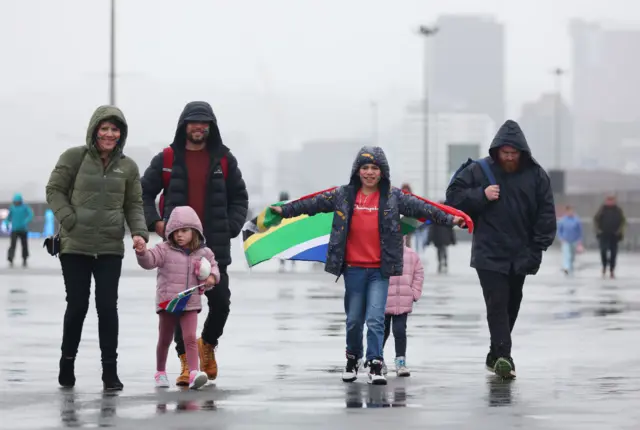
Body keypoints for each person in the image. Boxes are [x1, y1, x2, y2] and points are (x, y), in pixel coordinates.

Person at [270, 146, 465, 385]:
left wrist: (450, 218)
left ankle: (375, 363)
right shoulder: (343, 195)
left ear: (382, 172)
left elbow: (424, 207)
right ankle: (353, 359)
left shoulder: (394, 197)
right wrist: (284, 210)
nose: (370, 173)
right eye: (365, 168)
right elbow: (312, 203)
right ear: (357, 170)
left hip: (380, 271)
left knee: (375, 319)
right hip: (353, 270)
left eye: (375, 168)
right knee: (353, 321)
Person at [141, 101, 248, 385]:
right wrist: (155, 223)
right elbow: (143, 193)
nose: (199, 127)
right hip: (177, 249)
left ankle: (207, 344)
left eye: (204, 123)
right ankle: (187, 362)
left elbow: (239, 198)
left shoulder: (224, 159)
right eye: (193, 122)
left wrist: (231, 227)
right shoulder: (167, 158)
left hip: (213, 247)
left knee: (221, 302)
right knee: (180, 307)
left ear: (211, 127)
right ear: (183, 125)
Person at [46, 105, 149, 390]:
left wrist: (139, 232)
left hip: (109, 248)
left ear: (121, 134)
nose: (109, 134)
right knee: (77, 305)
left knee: (107, 307)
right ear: (94, 129)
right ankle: (67, 363)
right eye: (104, 128)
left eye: (115, 129)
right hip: (75, 246)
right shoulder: (73, 157)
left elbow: (134, 204)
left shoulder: (128, 167)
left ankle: (109, 372)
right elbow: (53, 189)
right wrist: (69, 219)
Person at [445, 119, 556, 379]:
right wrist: (481, 195)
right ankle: (505, 357)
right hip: (489, 252)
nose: (508, 157)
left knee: (512, 304)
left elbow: (546, 213)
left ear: (521, 152)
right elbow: (453, 197)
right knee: (497, 302)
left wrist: (538, 247)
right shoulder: (479, 170)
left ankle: (495, 353)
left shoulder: (537, 175)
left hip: (522, 252)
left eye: (513, 153)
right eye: (505, 153)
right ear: (497, 151)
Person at [135, 206, 220, 390]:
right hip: (169, 303)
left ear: (194, 231)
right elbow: (149, 261)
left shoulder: (203, 252)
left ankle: (194, 373)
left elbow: (214, 267)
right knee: (164, 339)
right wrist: (142, 253)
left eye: (184, 231)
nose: (179, 235)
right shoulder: (163, 249)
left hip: (190, 302)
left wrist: (211, 278)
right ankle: (160, 372)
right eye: (175, 232)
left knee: (190, 337)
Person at [382, 237, 424, 377]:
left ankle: (401, 360)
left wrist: (414, 293)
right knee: (382, 331)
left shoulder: (411, 255)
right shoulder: (382, 252)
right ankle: (377, 359)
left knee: (400, 331)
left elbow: (419, 273)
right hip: (384, 300)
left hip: (403, 300)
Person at [593, 195, 626, 279]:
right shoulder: (602, 210)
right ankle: (604, 265)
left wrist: (619, 231)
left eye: (612, 200)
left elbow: (623, 222)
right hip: (603, 234)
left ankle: (612, 269)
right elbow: (596, 220)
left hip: (614, 235)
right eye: (608, 200)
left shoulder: (618, 210)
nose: (610, 202)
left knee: (613, 253)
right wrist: (598, 230)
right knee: (603, 250)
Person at [425, 200, 457, 273]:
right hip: (444, 237)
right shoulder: (448, 215)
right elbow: (451, 229)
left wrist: (429, 239)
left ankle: (440, 262)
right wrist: (453, 240)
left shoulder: (435, 215)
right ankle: (445, 261)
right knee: (444, 249)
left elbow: (431, 229)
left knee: (439, 250)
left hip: (438, 237)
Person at [4, 193, 33, 268]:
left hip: (23, 230)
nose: (16, 203)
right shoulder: (12, 208)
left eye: (17, 201)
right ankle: (10, 258)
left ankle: (24, 259)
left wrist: (26, 221)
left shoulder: (25, 207)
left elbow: (30, 214)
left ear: (20, 201)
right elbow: (8, 217)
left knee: (24, 245)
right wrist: (6, 223)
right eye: (15, 201)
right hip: (14, 230)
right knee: (12, 245)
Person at [557, 205, 583, 276]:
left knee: (572, 255)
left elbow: (579, 231)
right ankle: (566, 267)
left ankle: (570, 266)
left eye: (571, 211)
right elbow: (559, 230)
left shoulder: (576, 220)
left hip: (574, 240)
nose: (570, 212)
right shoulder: (563, 220)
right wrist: (561, 238)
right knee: (566, 254)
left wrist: (579, 241)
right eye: (568, 211)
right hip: (565, 240)